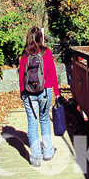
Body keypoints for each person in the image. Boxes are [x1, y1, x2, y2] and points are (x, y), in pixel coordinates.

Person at [19, 26, 60, 167]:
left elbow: (21, 76)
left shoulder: (24, 55)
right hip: (45, 90)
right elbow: (53, 73)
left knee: (32, 122)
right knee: (44, 120)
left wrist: (22, 92)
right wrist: (57, 92)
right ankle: (48, 151)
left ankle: (36, 156)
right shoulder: (46, 52)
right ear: (40, 38)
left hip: (29, 93)